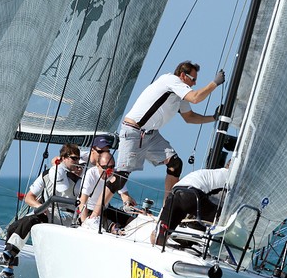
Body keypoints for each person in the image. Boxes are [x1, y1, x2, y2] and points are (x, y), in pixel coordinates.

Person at [86, 61, 225, 222]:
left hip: (151, 135)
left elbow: (189, 117)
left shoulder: (181, 94)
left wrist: (213, 118)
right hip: (133, 131)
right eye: (192, 79)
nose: (194, 83)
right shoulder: (171, 81)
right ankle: (94, 217)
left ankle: (165, 214)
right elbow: (195, 98)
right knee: (121, 177)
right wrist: (214, 83)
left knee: (175, 163)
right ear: (182, 75)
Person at [0, 143, 83, 278]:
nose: (77, 162)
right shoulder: (46, 175)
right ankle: (8, 271)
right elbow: (29, 197)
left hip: (66, 217)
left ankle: (7, 256)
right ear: (63, 158)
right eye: (74, 158)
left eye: (78, 159)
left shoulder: (79, 179)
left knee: (31, 220)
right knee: (14, 226)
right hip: (47, 213)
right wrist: (40, 206)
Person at [153, 165, 230, 246]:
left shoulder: (209, 172)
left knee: (162, 231)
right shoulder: (228, 175)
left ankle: (160, 238)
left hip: (175, 192)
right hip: (192, 195)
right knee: (223, 218)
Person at [79, 151, 136, 231]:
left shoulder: (115, 175)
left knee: (133, 222)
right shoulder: (90, 174)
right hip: (89, 210)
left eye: (112, 167)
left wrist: (127, 202)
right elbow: (83, 201)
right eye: (105, 167)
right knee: (113, 227)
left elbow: (124, 195)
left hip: (105, 208)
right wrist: (84, 223)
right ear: (98, 165)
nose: (109, 170)